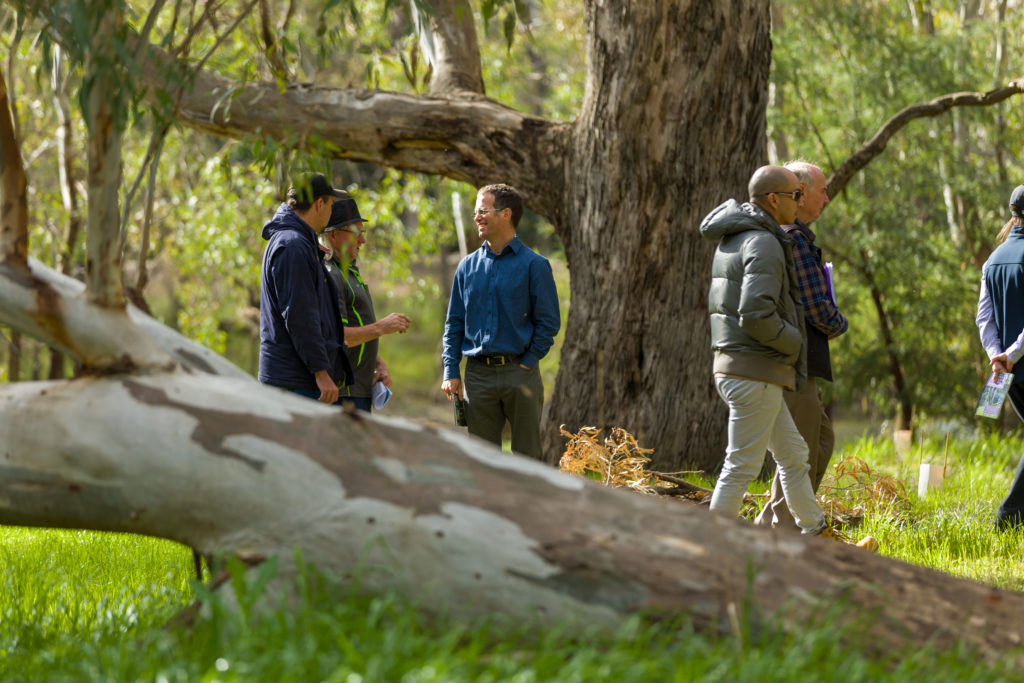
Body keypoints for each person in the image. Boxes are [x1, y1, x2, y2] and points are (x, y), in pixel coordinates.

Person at [700, 165, 827, 535]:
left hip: (741, 368)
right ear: (774, 199)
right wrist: (795, 340)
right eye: (796, 195)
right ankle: (710, 546)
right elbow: (756, 314)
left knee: (793, 456)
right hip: (755, 372)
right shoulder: (764, 242)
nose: (800, 202)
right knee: (741, 466)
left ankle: (814, 532)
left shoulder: (737, 236)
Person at [755, 161, 849, 530]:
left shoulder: (789, 237)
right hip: (794, 363)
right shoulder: (793, 239)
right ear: (800, 193)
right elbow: (817, 308)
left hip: (792, 363)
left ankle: (774, 527)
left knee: (816, 444)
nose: (827, 198)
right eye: (822, 191)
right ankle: (782, 533)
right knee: (801, 454)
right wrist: (838, 322)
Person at [441, 183, 561, 460]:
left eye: (483, 211)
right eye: (475, 212)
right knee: (482, 459)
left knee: (527, 456)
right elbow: (454, 323)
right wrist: (451, 370)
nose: (477, 217)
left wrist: (529, 361)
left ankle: (527, 504)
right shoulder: (466, 267)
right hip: (478, 376)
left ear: (506, 214)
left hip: (520, 372)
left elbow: (549, 323)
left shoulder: (535, 265)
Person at [259, 172, 352, 403]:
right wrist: (320, 372)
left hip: (296, 378)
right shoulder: (293, 245)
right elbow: (299, 314)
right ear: (319, 204)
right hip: (294, 381)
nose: (331, 214)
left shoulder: (298, 241)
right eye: (331, 205)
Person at [322, 196, 411, 412]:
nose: (362, 240)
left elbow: (357, 331)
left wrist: (377, 363)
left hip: (361, 389)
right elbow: (338, 336)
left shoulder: (350, 272)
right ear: (333, 235)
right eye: (356, 233)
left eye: (363, 233)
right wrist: (382, 327)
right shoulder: (332, 275)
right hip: (344, 392)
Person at [976, 184, 1024, 530]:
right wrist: (1012, 353)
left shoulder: (992, 260)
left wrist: (998, 356)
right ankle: (1007, 518)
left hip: (1009, 373)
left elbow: (984, 318)